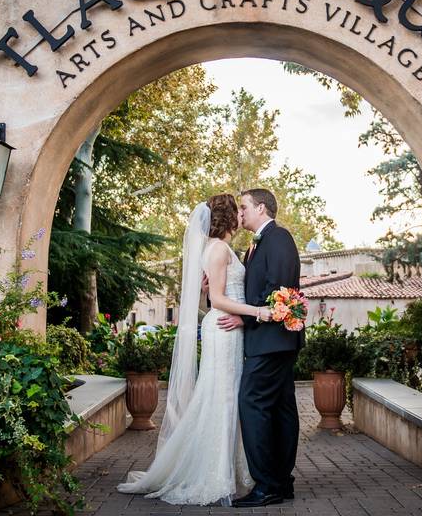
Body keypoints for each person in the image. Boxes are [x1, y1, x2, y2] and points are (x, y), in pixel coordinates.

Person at [116, 194, 272, 506]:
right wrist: (258, 313)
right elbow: (216, 300)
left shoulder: (222, 248)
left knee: (225, 398)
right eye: (238, 211)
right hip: (223, 330)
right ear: (229, 218)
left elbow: (216, 291)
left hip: (230, 330)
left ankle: (224, 469)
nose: (243, 215)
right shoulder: (217, 249)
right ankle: (214, 474)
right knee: (222, 398)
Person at [227, 188, 302, 508]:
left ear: (261, 208)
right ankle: (281, 482)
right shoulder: (255, 246)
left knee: (251, 403)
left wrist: (250, 319)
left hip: (273, 339)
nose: (239, 212)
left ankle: (267, 484)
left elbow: (280, 288)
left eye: (243, 206)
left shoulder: (279, 237)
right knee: (280, 407)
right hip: (272, 340)